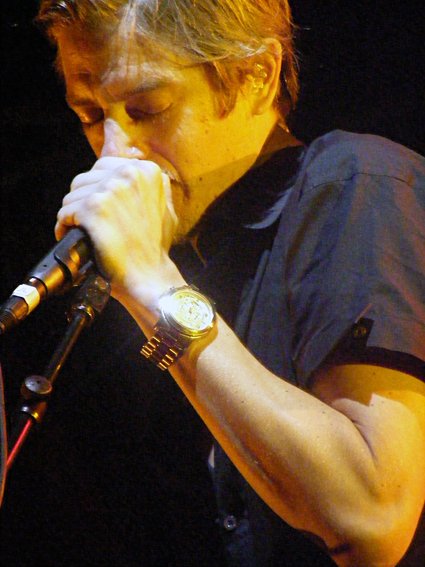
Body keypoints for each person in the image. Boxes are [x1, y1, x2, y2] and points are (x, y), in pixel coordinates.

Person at [36, 1, 425, 565]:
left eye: (146, 108)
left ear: (256, 76)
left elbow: (371, 518)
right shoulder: (196, 260)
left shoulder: (358, 182)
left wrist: (150, 279)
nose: (113, 156)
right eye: (92, 116)